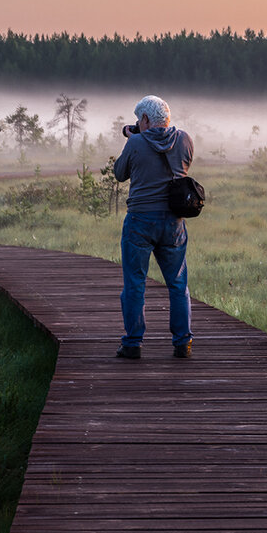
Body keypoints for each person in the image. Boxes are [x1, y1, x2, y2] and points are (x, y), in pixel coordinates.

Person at [113, 95, 194, 359]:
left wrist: (133, 137)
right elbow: (183, 164)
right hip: (174, 222)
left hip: (140, 221)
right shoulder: (184, 139)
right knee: (178, 283)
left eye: (140, 119)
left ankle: (133, 343)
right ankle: (183, 342)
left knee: (135, 283)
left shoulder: (136, 142)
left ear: (145, 119)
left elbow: (119, 173)